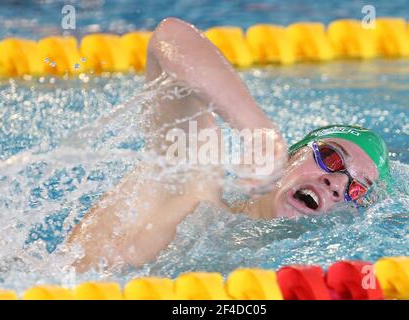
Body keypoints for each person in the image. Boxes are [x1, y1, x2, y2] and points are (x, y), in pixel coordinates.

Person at [66, 17, 389, 272]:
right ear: (291, 156)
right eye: (332, 158)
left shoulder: (265, 264)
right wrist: (257, 129)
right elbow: (170, 36)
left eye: (355, 188)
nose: (336, 184)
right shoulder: (196, 189)